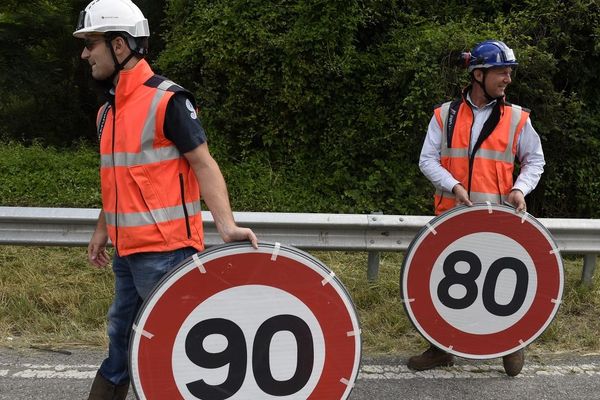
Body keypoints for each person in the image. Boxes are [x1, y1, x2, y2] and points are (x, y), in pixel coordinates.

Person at [73, 1, 258, 398]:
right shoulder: (108, 112)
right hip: (127, 251)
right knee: (120, 337)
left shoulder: (167, 99)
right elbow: (119, 178)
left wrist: (226, 225)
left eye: (91, 44)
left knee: (177, 345)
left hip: (166, 251)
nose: (85, 53)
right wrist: (102, 229)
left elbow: (204, 164)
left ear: (119, 45)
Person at [413, 40, 545, 377]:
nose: (508, 79)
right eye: (502, 72)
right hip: (451, 219)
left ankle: (513, 344)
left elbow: (535, 162)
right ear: (479, 73)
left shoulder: (517, 118)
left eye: (510, 72)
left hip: (498, 222)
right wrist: (453, 186)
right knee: (445, 286)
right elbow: (427, 159)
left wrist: (519, 188)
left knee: (501, 286)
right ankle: (440, 349)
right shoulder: (444, 115)